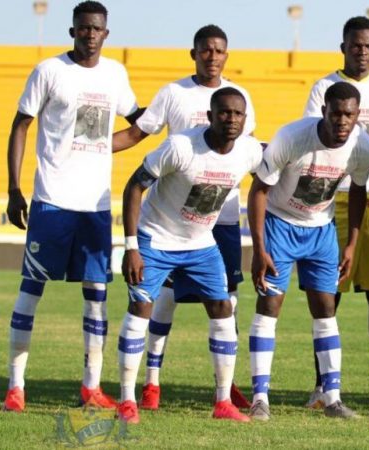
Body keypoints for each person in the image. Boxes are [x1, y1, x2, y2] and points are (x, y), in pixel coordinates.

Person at [3, 1, 140, 413]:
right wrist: (13, 188)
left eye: (97, 29)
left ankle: (91, 387)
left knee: (96, 296)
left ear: (106, 33)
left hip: (95, 206)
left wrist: (104, 146)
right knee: (31, 290)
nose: (90, 34)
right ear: (73, 31)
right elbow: (20, 125)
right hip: (52, 201)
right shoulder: (50, 71)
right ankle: (15, 387)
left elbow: (137, 126)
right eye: (83, 28)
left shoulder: (115, 74)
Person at [112, 24, 255, 412]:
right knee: (151, 306)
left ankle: (224, 398)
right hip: (158, 236)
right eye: (205, 50)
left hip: (208, 234)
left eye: (236, 114)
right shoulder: (177, 134)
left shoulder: (246, 147)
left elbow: (270, 167)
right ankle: (135, 393)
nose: (231, 119)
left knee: (225, 306)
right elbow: (134, 176)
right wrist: (131, 247)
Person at [302, 16, 369, 409]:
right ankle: (322, 385)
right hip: (334, 201)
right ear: (344, 47)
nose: (362, 51)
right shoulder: (323, 88)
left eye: (368, 45)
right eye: (355, 45)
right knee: (329, 296)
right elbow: (319, 134)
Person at [247, 82, 369, 421]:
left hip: (321, 230)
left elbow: (359, 192)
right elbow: (258, 191)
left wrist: (351, 243)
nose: (342, 121)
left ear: (358, 114)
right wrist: (259, 248)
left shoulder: (362, 145)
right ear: (324, 112)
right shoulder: (291, 137)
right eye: (336, 114)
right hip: (280, 224)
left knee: (326, 308)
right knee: (270, 305)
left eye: (349, 114)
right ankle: (260, 398)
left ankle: (332, 397)